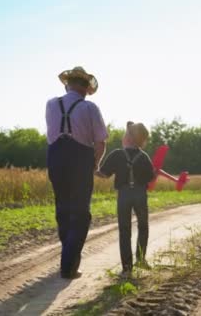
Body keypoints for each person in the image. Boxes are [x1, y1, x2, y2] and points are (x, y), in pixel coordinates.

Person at [45, 66, 108, 279]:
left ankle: (68, 256)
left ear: (68, 84)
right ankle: (68, 265)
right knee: (81, 213)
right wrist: (95, 164)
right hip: (80, 157)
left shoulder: (51, 104)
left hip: (55, 155)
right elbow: (100, 142)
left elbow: (51, 134)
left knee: (62, 207)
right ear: (84, 87)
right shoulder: (90, 108)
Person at [96, 122, 155, 275]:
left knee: (124, 230)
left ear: (129, 138)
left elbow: (103, 174)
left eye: (125, 133)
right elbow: (150, 178)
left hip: (123, 195)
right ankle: (141, 259)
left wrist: (93, 168)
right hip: (140, 194)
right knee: (143, 226)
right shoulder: (144, 157)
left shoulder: (117, 154)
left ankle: (127, 268)